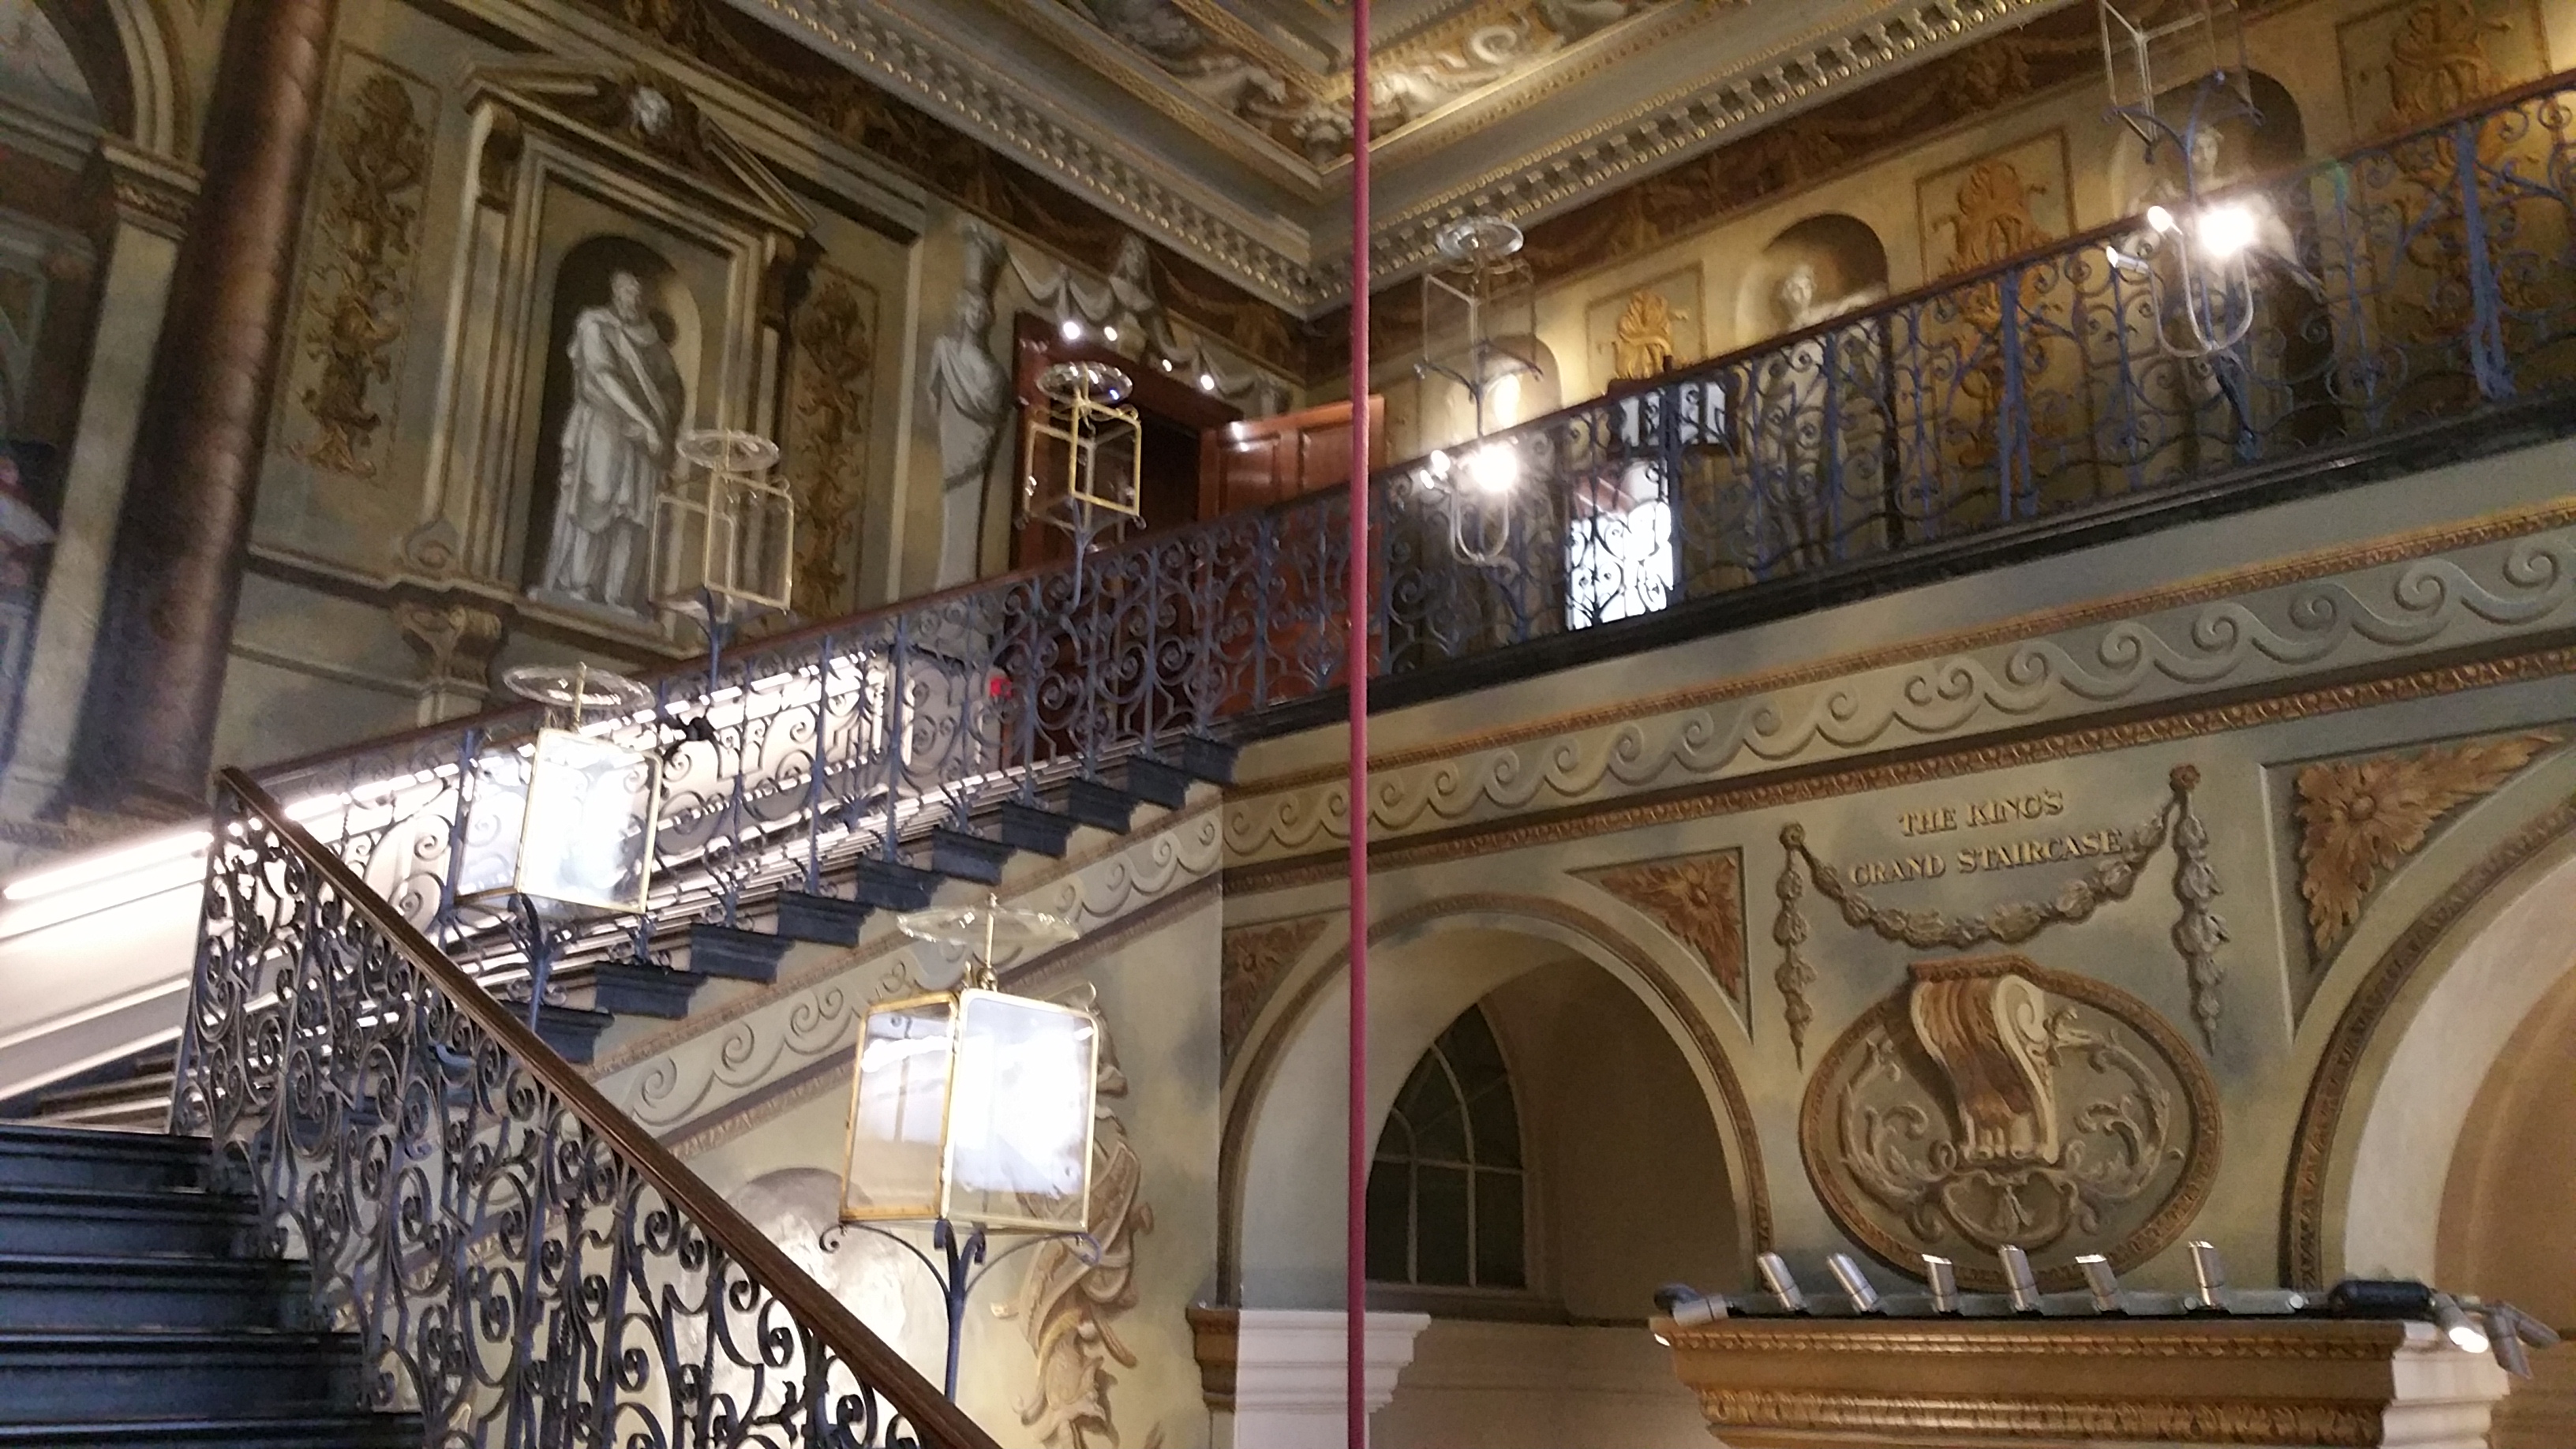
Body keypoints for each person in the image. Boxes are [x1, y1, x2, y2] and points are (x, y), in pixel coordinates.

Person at [541, 270, 684, 612]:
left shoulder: (653, 343)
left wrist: (658, 421)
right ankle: (580, 584)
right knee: (598, 497)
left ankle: (618, 596)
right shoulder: (595, 325)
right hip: (603, 428)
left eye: (638, 294)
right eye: (628, 292)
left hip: (642, 444)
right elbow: (602, 378)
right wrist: (643, 421)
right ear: (616, 294)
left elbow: (672, 390)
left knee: (635, 515)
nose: (634, 299)